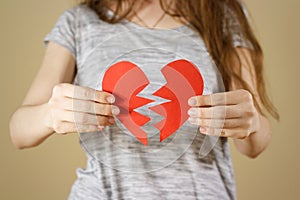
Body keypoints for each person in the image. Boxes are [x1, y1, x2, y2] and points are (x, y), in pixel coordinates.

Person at [9, 0, 279, 199]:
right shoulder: (79, 22)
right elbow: (19, 133)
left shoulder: (223, 14)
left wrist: (251, 121)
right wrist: (50, 115)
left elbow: (254, 145)